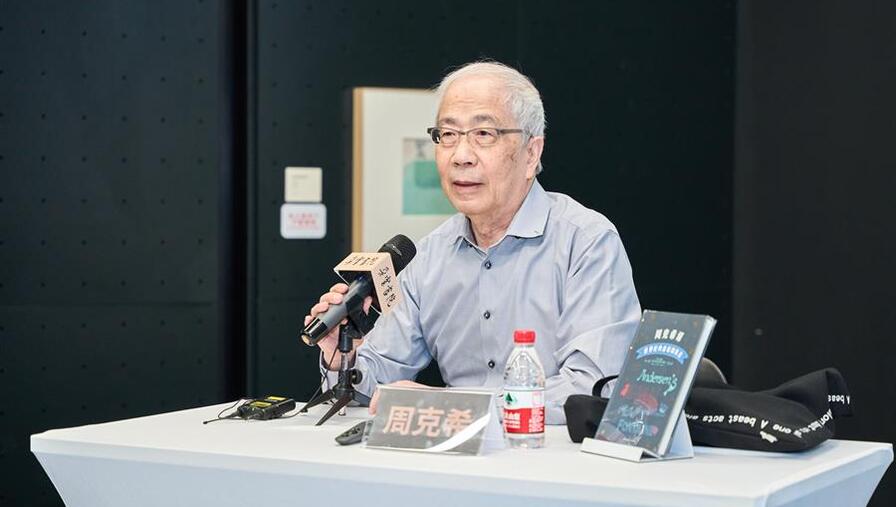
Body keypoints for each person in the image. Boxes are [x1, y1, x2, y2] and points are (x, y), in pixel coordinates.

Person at [304, 61, 641, 424]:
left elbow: (592, 390)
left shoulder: (586, 242)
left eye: (483, 134)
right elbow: (376, 377)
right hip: (457, 454)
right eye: (448, 135)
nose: (461, 156)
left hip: (551, 454)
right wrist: (343, 359)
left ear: (531, 153)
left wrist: (455, 407)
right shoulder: (429, 255)